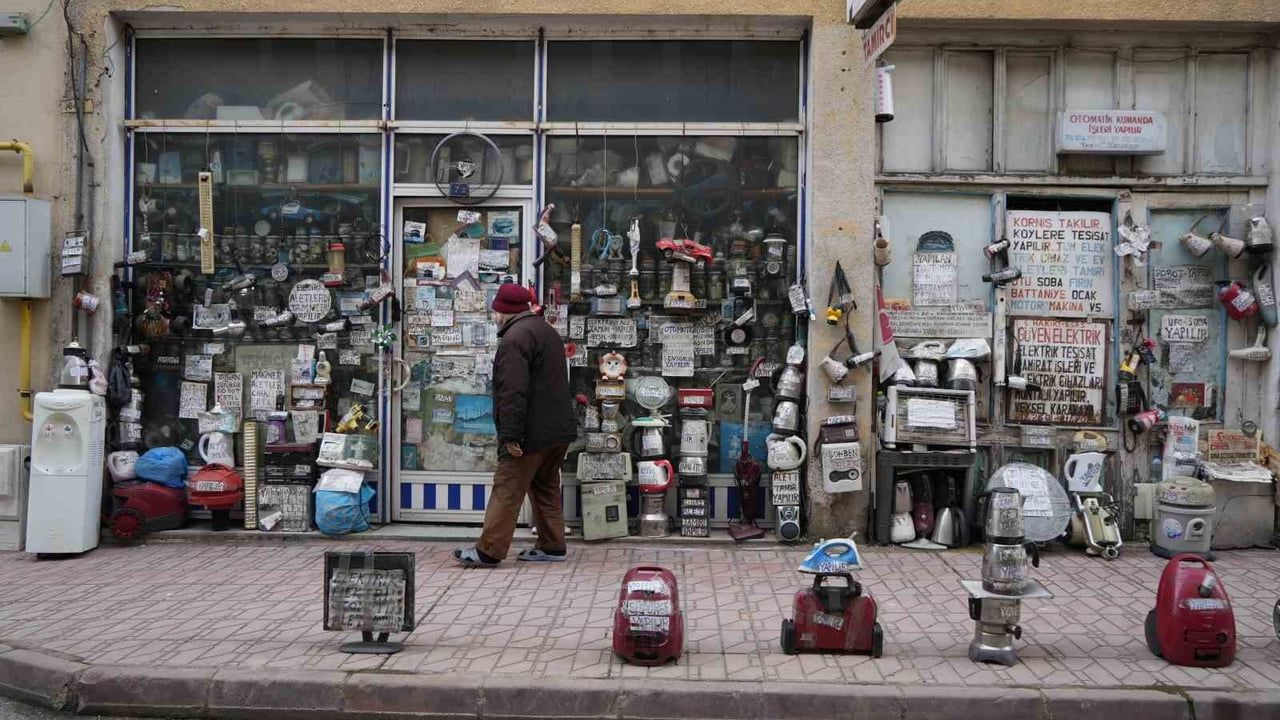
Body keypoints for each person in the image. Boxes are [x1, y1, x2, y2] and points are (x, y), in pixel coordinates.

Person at [454, 283, 577, 567]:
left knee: (507, 487)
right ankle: (552, 545)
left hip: (530, 433)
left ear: (505, 311)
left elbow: (512, 391)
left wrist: (510, 436)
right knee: (545, 485)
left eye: (496, 310)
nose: (494, 315)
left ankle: (489, 551)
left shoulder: (514, 339)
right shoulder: (546, 331)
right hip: (557, 430)